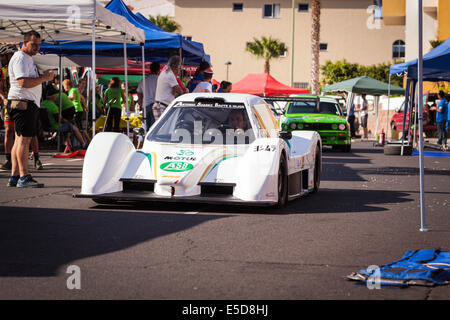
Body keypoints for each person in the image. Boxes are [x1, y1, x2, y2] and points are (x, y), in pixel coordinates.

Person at [7, 30, 54, 187]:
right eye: (34, 44)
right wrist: (44, 78)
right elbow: (23, 83)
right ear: (24, 42)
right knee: (24, 141)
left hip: (23, 103)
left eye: (39, 45)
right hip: (23, 103)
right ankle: (23, 176)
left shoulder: (25, 58)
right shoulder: (21, 58)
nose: (37, 48)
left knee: (19, 140)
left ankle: (15, 176)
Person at [41, 85, 87, 151]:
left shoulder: (42, 104)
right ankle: (82, 144)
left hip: (45, 126)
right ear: (53, 96)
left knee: (67, 128)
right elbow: (59, 120)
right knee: (74, 127)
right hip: (55, 126)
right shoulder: (54, 106)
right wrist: (68, 122)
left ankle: (65, 144)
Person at [0, 44, 18, 170]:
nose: (1, 59)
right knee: (8, 130)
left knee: (20, 132)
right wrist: (3, 98)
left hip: (20, 102)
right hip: (8, 103)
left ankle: (35, 158)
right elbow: (0, 88)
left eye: (3, 56)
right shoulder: (2, 71)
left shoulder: (19, 67)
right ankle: (8, 160)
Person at [153, 55, 184, 121]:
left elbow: (174, 90)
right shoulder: (170, 75)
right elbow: (180, 91)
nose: (179, 70)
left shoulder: (166, 72)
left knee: (163, 129)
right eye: (179, 67)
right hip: (161, 106)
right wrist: (185, 90)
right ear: (176, 66)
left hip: (161, 105)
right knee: (162, 129)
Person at [62, 79, 90, 145]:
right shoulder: (72, 90)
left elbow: (72, 97)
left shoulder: (73, 90)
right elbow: (82, 98)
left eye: (64, 86)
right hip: (77, 110)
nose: (63, 88)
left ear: (67, 85)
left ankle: (86, 142)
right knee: (78, 127)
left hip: (76, 110)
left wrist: (63, 97)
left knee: (77, 128)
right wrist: (85, 106)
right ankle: (87, 141)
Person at [137, 62, 160, 131]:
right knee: (154, 128)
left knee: (145, 127)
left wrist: (140, 104)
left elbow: (139, 92)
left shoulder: (144, 80)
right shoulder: (159, 80)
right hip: (156, 105)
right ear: (158, 70)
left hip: (145, 105)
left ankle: (142, 141)